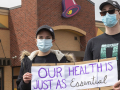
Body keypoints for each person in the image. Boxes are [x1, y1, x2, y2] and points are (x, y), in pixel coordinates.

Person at [16, 25, 75, 90]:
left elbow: (71, 84)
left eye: (48, 38)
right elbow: (19, 88)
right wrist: (24, 82)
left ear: (53, 41)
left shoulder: (63, 61)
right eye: (40, 37)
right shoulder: (26, 62)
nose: (44, 40)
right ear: (36, 40)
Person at [83, 0, 120, 80]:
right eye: (103, 12)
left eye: (111, 11)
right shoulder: (92, 42)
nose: (107, 14)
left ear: (119, 14)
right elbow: (87, 71)